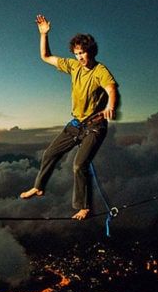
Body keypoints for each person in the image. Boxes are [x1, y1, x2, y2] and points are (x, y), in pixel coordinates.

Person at [20, 14, 119, 220]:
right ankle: (38, 187)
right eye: (76, 53)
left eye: (82, 53)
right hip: (76, 124)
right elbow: (46, 57)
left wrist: (110, 104)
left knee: (78, 165)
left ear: (90, 52)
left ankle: (84, 206)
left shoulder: (100, 70)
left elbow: (111, 87)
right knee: (49, 154)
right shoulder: (74, 66)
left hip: (95, 126)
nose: (80, 57)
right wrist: (44, 35)